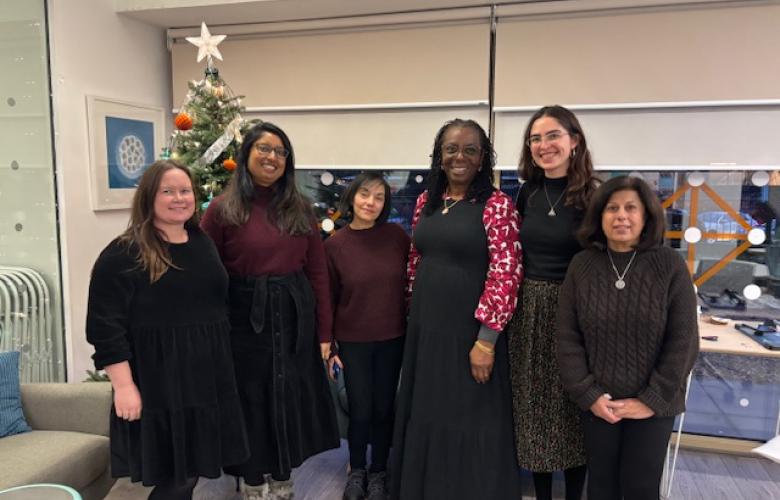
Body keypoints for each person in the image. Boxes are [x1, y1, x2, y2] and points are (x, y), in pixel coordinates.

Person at [86, 160, 249, 500]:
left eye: (185, 190)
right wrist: (124, 387)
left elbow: (216, 304)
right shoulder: (123, 253)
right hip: (159, 382)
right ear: (149, 197)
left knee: (190, 473)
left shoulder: (202, 242)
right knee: (176, 478)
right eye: (168, 191)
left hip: (206, 378)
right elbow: (105, 328)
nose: (179, 198)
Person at [200, 122, 340, 500]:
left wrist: (325, 333)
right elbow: (206, 273)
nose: (272, 157)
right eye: (263, 148)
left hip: (294, 315)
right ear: (246, 154)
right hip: (241, 317)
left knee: (286, 395)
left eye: (280, 151)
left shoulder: (300, 208)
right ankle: (251, 477)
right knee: (250, 397)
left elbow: (317, 273)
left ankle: (282, 475)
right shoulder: (221, 209)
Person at [389, 119, 523, 500]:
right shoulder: (426, 202)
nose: (459, 156)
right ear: (439, 155)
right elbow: (416, 261)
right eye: (451, 149)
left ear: (482, 159)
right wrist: (410, 314)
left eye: (469, 149)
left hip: (470, 334)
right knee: (427, 412)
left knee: (468, 417)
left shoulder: (497, 206)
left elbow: (506, 273)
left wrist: (486, 340)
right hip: (426, 329)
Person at [557, 175, 699, 500]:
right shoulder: (582, 265)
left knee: (641, 487)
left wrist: (651, 399)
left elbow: (684, 340)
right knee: (601, 486)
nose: (621, 216)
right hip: (599, 403)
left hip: (654, 404)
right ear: (599, 216)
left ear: (646, 216)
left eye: (631, 208)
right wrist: (588, 394)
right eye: (612, 208)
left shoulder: (670, 265)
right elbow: (567, 337)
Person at [506, 105, 598, 500]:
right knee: (534, 409)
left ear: (574, 141)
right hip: (528, 310)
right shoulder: (526, 192)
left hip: (575, 310)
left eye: (553, 135)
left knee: (574, 406)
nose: (544, 145)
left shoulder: (595, 195)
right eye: (536, 138)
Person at [324, 171, 410, 500]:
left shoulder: (397, 237)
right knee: (360, 409)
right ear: (352, 197)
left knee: (384, 409)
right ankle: (357, 470)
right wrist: (331, 344)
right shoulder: (335, 246)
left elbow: (412, 283)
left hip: (393, 338)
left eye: (379, 197)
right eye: (364, 194)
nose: (370, 202)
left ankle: (379, 472)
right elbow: (328, 298)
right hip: (353, 341)